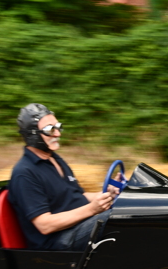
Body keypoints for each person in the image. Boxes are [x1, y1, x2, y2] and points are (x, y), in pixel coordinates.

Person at [7, 103, 119, 250]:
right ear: (32, 133)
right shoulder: (24, 173)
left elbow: (77, 196)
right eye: (50, 129)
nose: (58, 134)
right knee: (117, 218)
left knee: (125, 208)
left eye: (58, 127)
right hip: (58, 241)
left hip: (79, 226)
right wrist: (93, 209)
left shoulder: (55, 159)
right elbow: (44, 225)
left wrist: (105, 195)